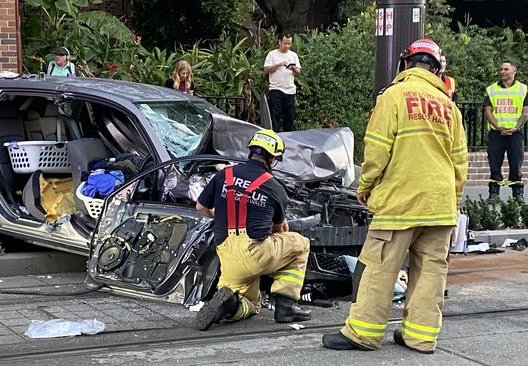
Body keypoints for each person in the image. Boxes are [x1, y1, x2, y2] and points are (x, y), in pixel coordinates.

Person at [322, 39, 467, 354]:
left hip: (401, 201)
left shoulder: (393, 97)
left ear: (405, 64)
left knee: (378, 266)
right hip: (440, 205)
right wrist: (451, 200)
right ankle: (420, 336)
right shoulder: (450, 108)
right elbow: (460, 163)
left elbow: (376, 150)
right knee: (430, 270)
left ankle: (362, 333)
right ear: (438, 69)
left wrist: (367, 186)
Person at [194, 129, 311, 331]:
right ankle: (286, 306)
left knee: (251, 304)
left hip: (227, 256)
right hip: (256, 253)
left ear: (251, 152)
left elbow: (201, 208)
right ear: (273, 158)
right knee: (300, 245)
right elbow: (280, 230)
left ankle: (230, 306)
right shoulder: (274, 187)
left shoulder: (224, 175)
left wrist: (221, 215)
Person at [484, 60, 528, 202]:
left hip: (515, 134)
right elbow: (488, 111)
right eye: (501, 69)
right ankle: (494, 194)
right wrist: (497, 127)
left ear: (514, 72)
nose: (502, 71)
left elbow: (526, 112)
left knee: (516, 164)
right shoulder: (491, 89)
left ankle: (517, 195)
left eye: (506, 69)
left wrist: (517, 127)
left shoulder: (523, 89)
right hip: (496, 133)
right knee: (494, 163)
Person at [263, 33, 301, 132]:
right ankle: (275, 136)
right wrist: (278, 65)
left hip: (290, 90)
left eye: (289, 44)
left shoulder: (293, 55)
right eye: (285, 43)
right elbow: (266, 69)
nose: (287, 46)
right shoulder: (272, 54)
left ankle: (288, 138)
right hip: (276, 89)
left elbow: (298, 72)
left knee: (289, 117)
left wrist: (293, 68)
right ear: (280, 42)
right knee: (275, 115)